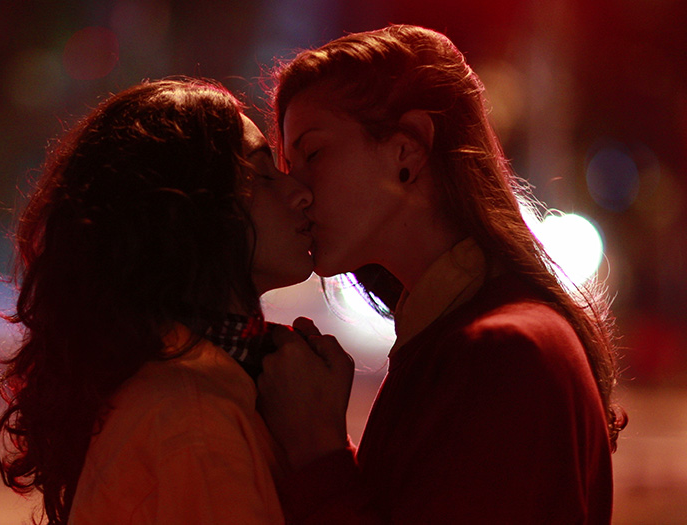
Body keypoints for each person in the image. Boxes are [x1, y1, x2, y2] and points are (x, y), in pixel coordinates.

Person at [256, 24, 627, 524]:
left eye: (313, 153)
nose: (297, 190)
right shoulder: (447, 339)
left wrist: (318, 450)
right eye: (285, 164)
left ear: (407, 150)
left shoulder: (505, 349)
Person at [0, 78, 315, 524]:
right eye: (261, 174)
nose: (300, 191)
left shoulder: (187, 384)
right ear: (184, 214)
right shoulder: (195, 417)